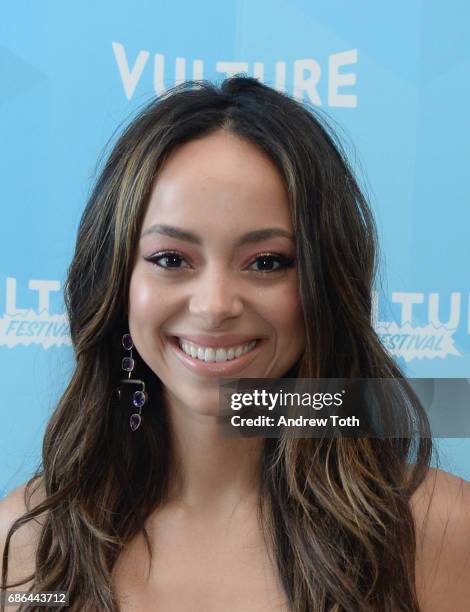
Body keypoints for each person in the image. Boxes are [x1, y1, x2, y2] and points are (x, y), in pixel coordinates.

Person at [1, 76, 469, 612]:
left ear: (323, 283)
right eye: (171, 259)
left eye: (267, 262)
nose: (215, 304)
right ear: (116, 281)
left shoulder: (439, 532)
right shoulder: (29, 544)